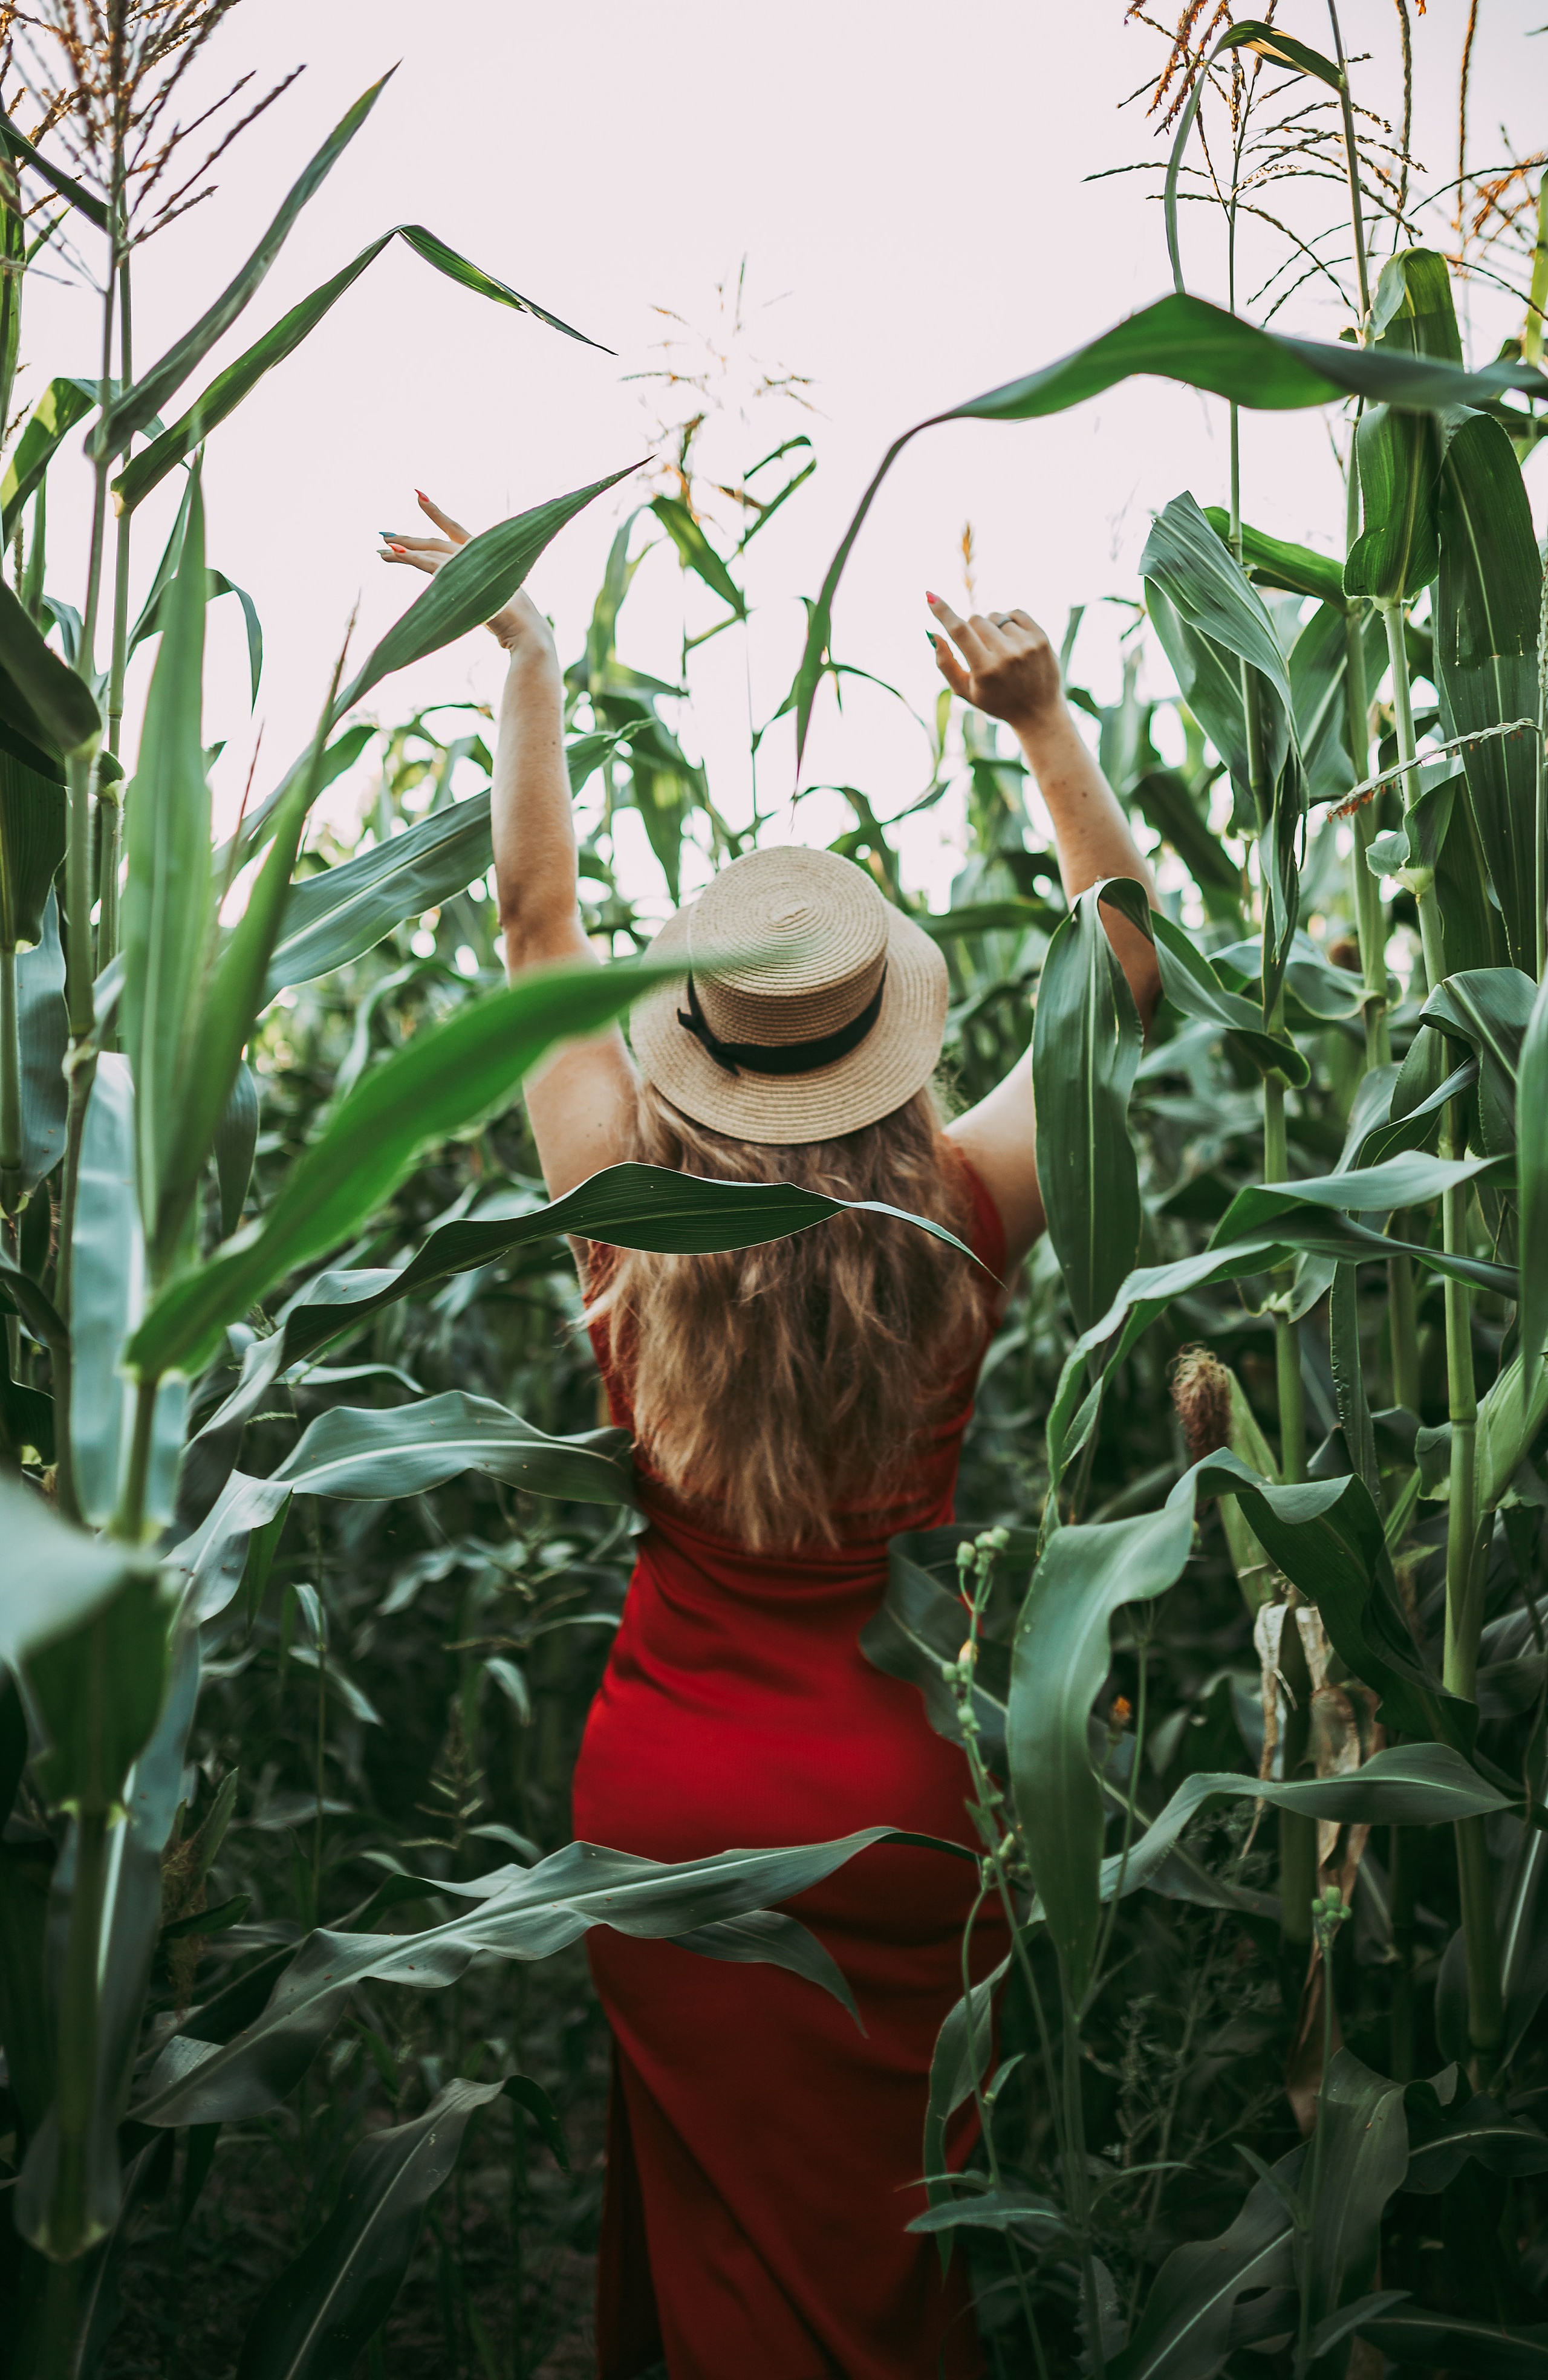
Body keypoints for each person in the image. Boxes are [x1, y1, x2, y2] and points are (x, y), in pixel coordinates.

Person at [381, 496, 1161, 2380]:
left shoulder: (620, 1202)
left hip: (666, 1814)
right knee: (894, 2273)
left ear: (698, 1036)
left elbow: (532, 922)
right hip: (898, 1815)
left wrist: (535, 665)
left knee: (721, 2251)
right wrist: (1048, 722)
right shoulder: (965, 1207)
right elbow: (1125, 973)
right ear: (878, 1033)